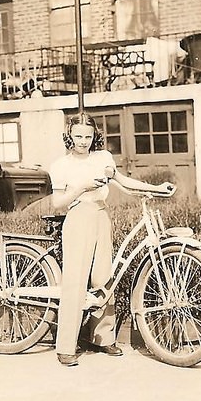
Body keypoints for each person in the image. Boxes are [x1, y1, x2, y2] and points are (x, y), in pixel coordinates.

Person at [48, 112, 173, 367]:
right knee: (76, 280)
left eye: (88, 136)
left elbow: (123, 182)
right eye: (78, 136)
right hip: (78, 216)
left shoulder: (102, 157)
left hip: (101, 215)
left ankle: (102, 337)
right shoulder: (61, 165)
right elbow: (58, 203)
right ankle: (65, 346)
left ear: (95, 136)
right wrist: (81, 187)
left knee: (104, 276)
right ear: (69, 136)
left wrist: (156, 188)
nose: (83, 141)